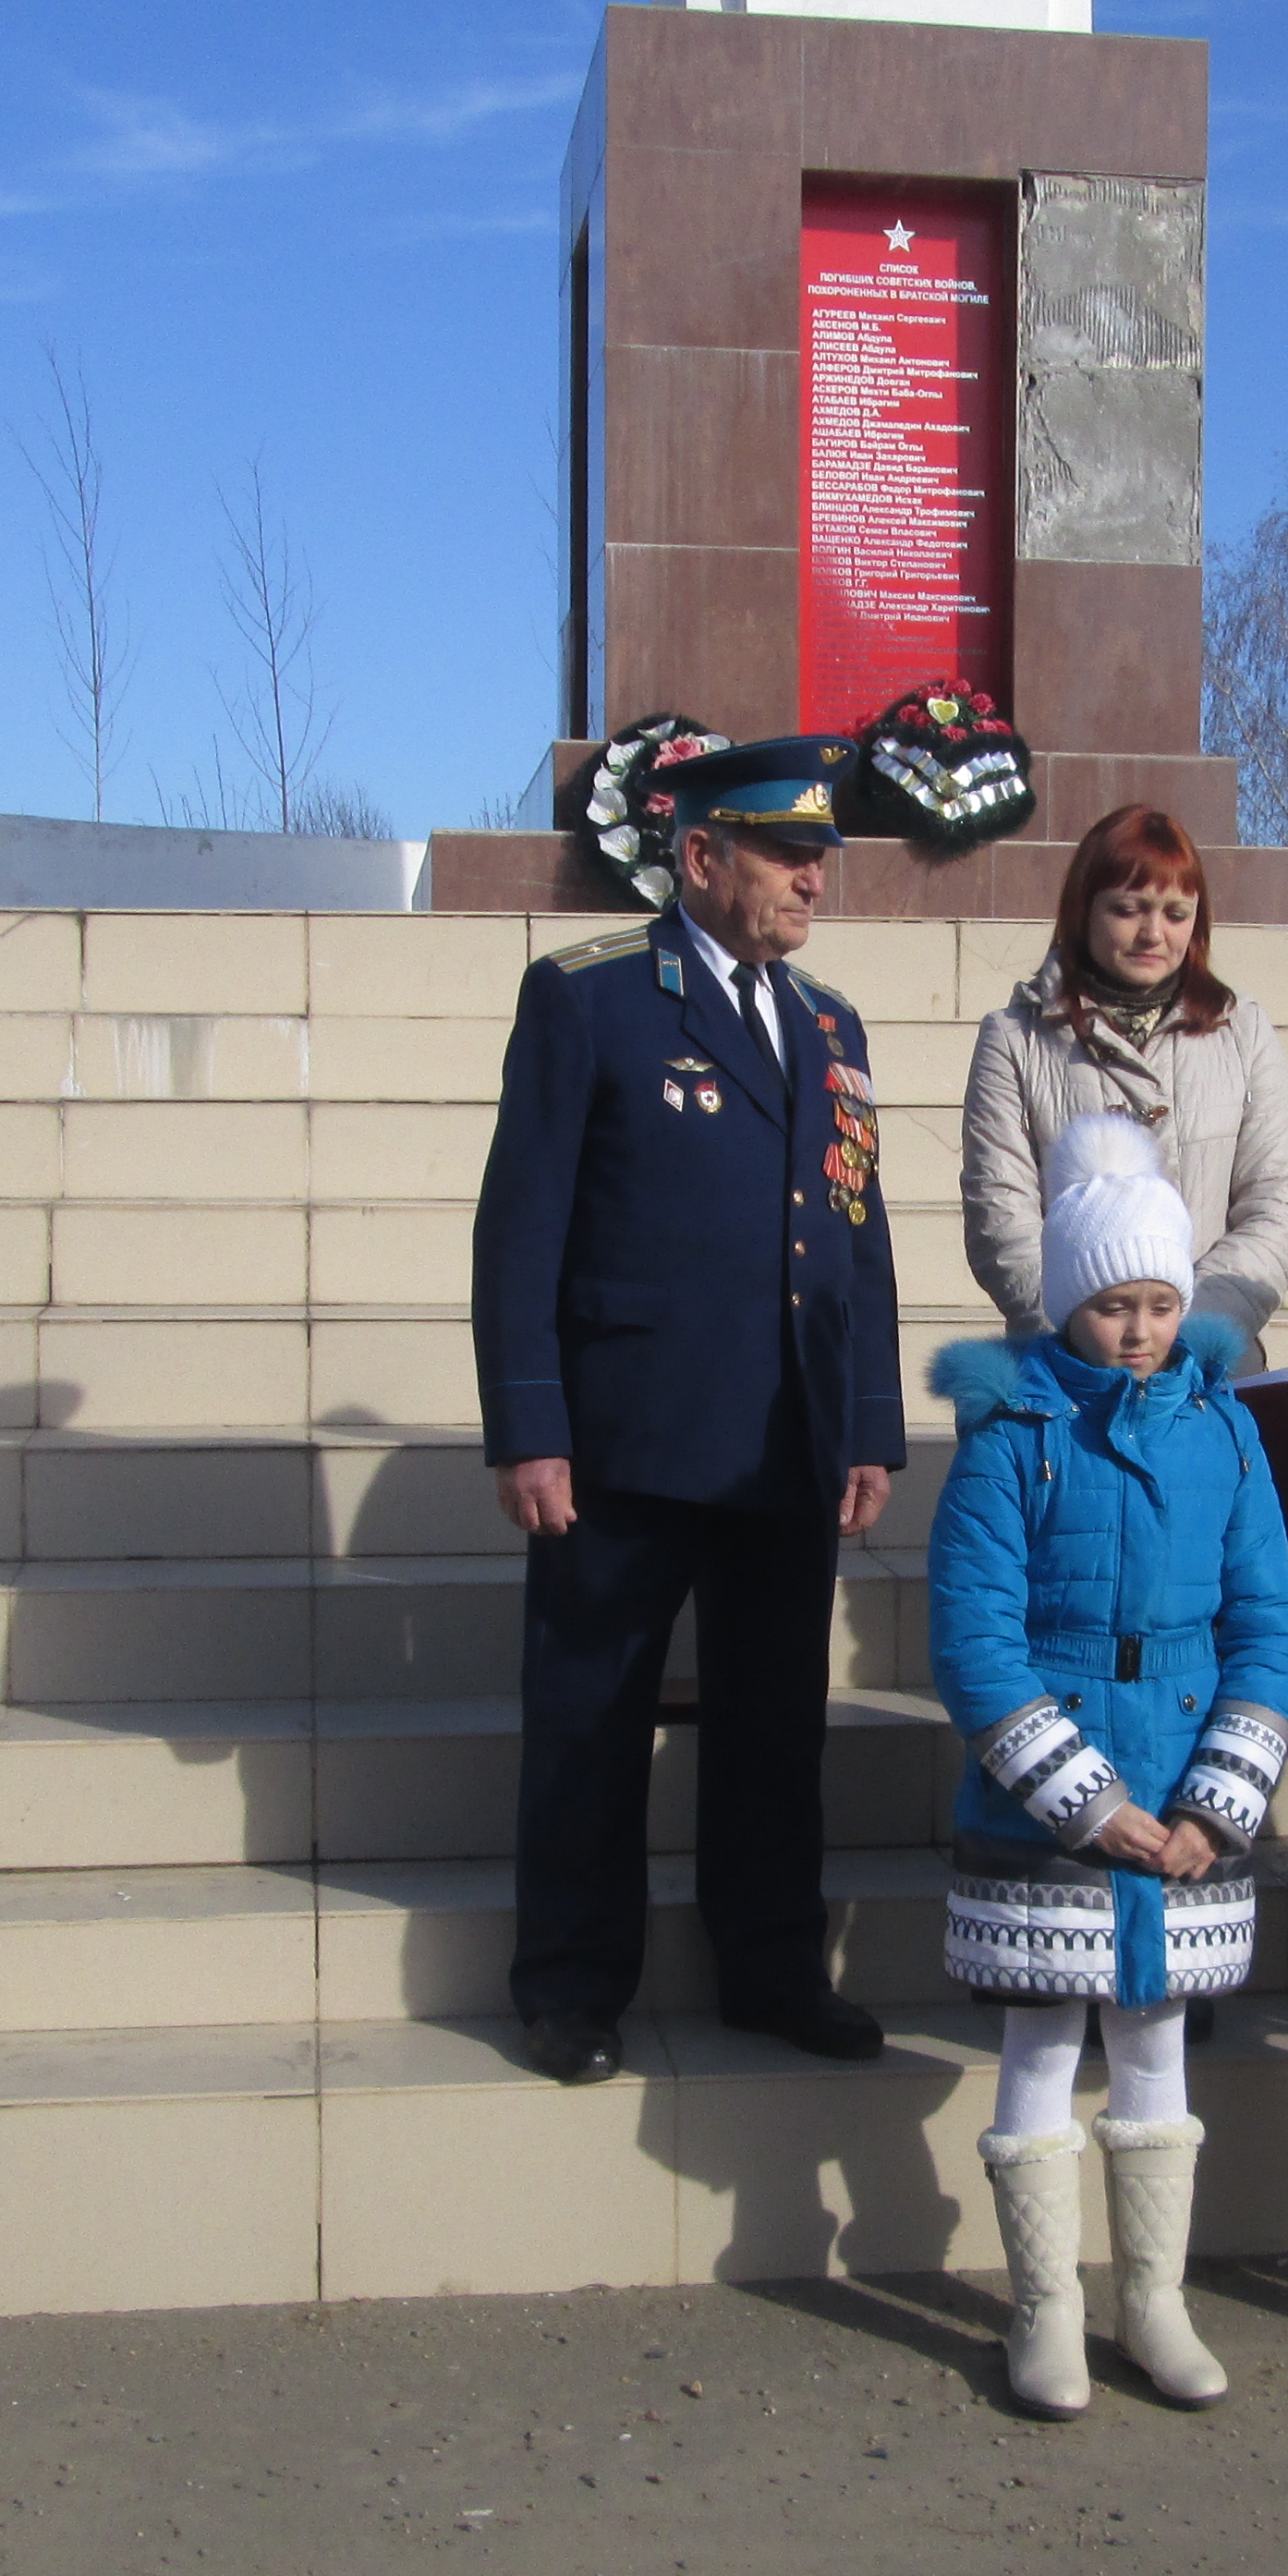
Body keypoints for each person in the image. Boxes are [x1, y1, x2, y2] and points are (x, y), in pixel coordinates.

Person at [470, 735, 904, 2088]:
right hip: (627, 1439)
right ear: (702, 855)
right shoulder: (589, 999)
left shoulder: (831, 1023)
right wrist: (530, 1422)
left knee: (776, 1723)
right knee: (591, 1714)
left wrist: (871, 1420)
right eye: (789, 854)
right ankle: (571, 1986)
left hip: (786, 1440)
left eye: (822, 858)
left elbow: (856, 1228)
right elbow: (519, 1229)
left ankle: (771, 1968)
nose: (813, 882)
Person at [924, 1115, 1288, 2419]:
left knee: (1156, 2044)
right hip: (1057, 1800)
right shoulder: (1010, 1430)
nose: (1137, 1330)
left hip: (1187, 1783)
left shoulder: (1228, 1429)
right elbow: (975, 1635)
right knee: (1040, 2039)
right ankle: (1045, 2307)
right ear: (1067, 1302)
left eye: (1158, 1304)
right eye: (1109, 1305)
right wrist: (1087, 1801)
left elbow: (1266, 1616)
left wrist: (1219, 1797)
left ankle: (1154, 2298)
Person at [960, 804, 1288, 1357]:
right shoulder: (1014, 1038)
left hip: (1210, 1356)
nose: (1153, 933)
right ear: (1084, 910)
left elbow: (1275, 1206)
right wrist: (1088, 1328)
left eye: (1176, 913)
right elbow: (1000, 1214)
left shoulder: (1244, 1033)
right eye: (1128, 910)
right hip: (1067, 1362)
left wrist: (1183, 1330)